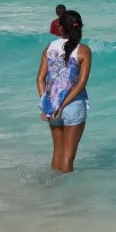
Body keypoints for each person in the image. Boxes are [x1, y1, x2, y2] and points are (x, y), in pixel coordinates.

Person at [36, 10, 91, 173]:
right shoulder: (83, 51)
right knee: (68, 156)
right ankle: (66, 196)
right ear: (79, 27)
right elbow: (80, 85)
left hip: (51, 106)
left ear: (60, 28)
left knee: (57, 153)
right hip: (73, 105)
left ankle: (53, 191)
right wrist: (62, 106)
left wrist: (47, 105)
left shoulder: (49, 47)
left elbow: (40, 79)